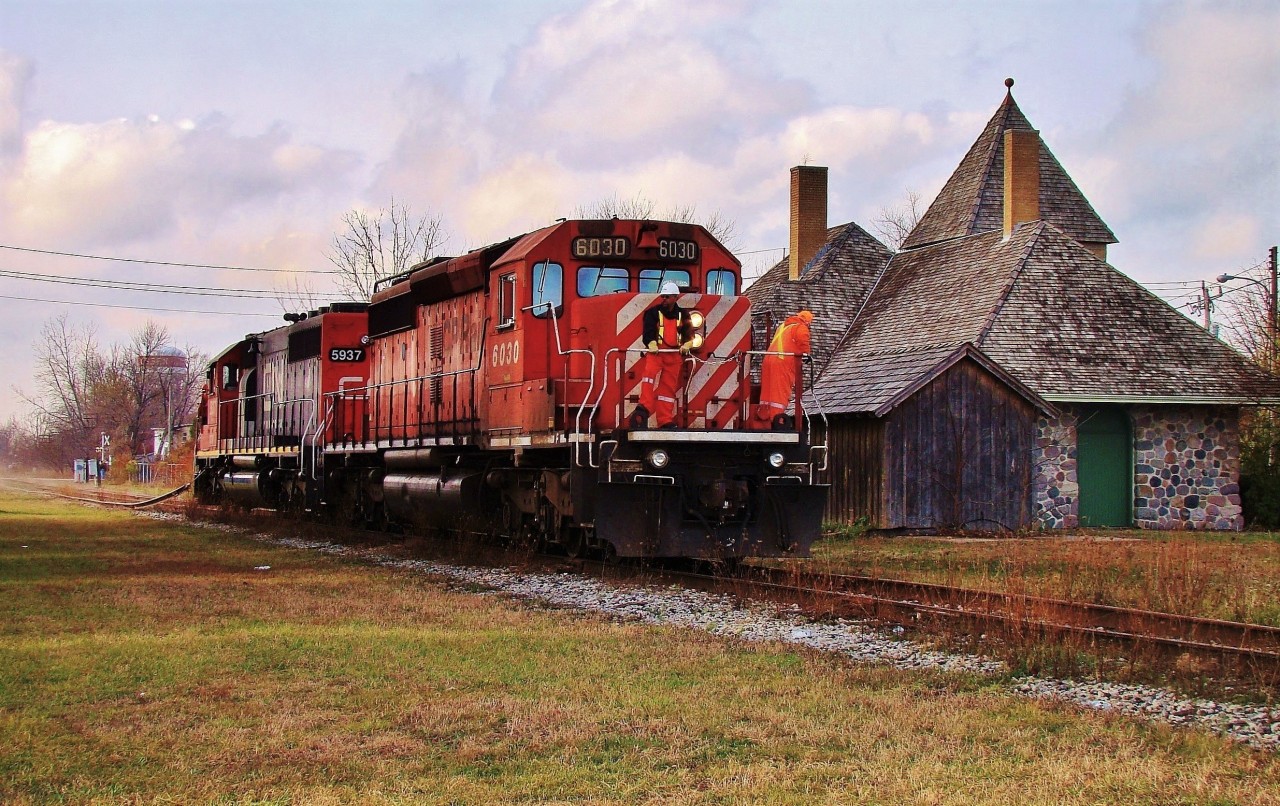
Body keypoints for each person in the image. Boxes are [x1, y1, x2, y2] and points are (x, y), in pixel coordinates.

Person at [629, 281, 696, 429]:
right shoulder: (652, 313)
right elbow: (648, 332)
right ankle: (644, 407)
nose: (664, 299)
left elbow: (690, 335)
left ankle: (665, 420)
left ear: (675, 297)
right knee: (648, 377)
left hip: (674, 356)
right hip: (656, 353)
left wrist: (687, 345)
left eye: (667, 297)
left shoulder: (684, 315)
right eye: (663, 296)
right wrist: (651, 343)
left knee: (668, 388)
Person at [756, 310, 813, 429]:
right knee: (779, 394)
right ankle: (777, 421)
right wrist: (806, 354)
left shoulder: (783, 326)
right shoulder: (801, 327)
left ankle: (764, 417)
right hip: (782, 363)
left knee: (767, 393)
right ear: (807, 322)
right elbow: (803, 340)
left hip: (768, 361)